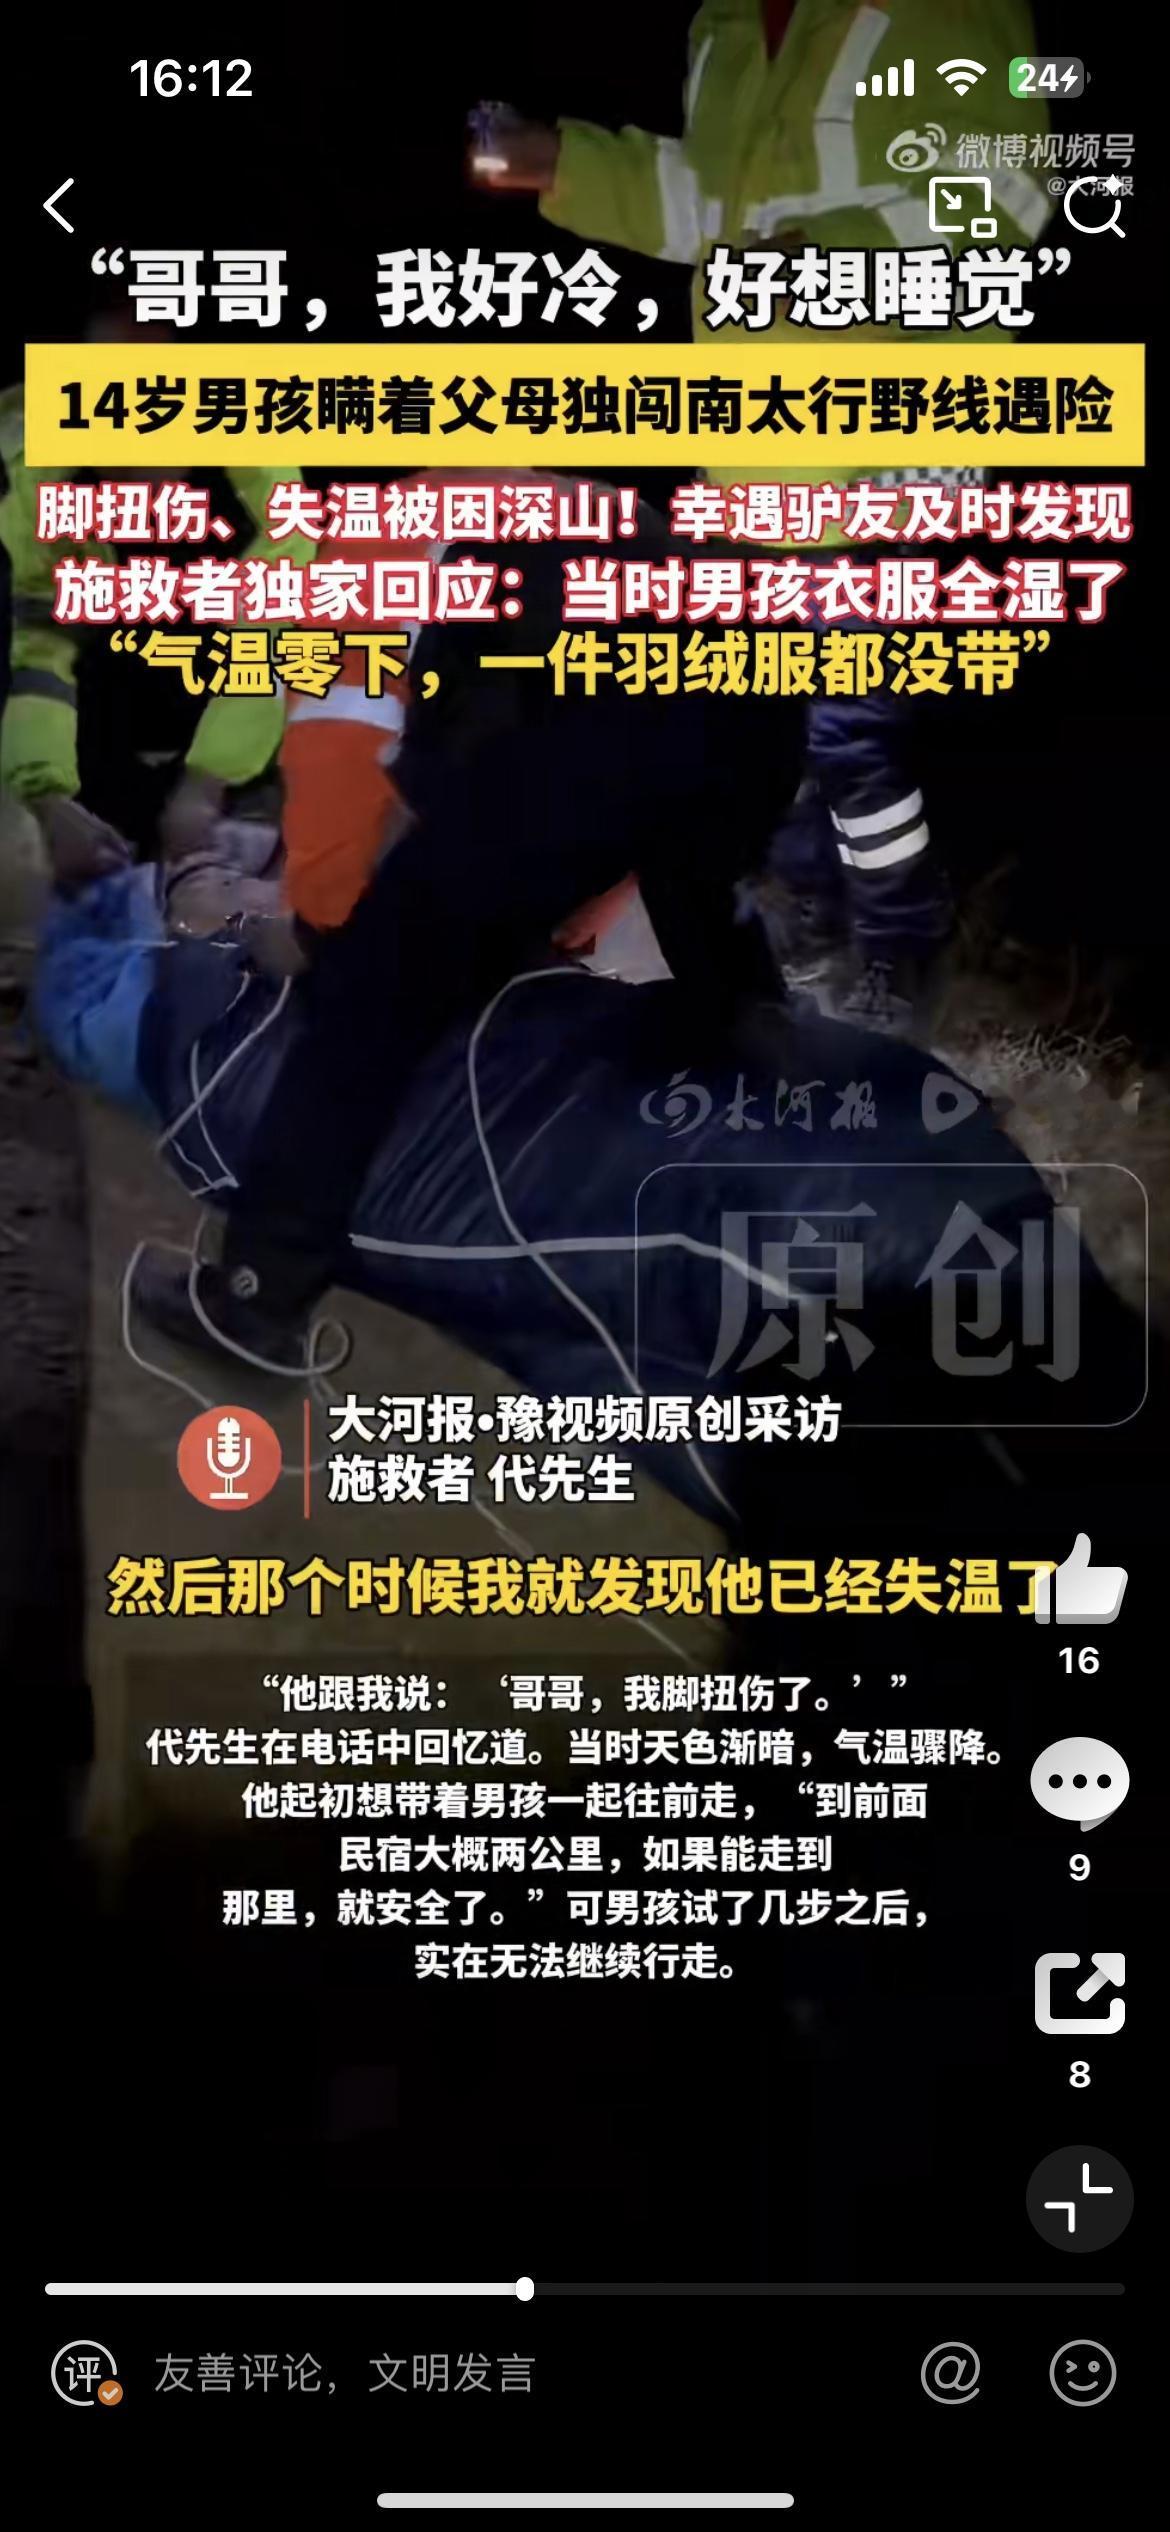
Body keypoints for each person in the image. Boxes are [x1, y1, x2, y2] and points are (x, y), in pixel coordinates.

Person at [469, 0, 1052, 1029]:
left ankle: (899, 960)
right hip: (753, 450)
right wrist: (564, 166)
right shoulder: (725, 25)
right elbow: (709, 201)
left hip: (895, 437)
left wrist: (831, 250)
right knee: (751, 728)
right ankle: (802, 953)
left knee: (845, 730)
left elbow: (1011, 190)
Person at [131, 493, 799, 1371]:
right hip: (720, 755)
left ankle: (257, 1299)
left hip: (578, 772)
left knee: (367, 1002)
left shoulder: (478, 560)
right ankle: (781, 1090)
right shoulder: (676, 553)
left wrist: (324, 935)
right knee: (705, 956)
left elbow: (430, 789)